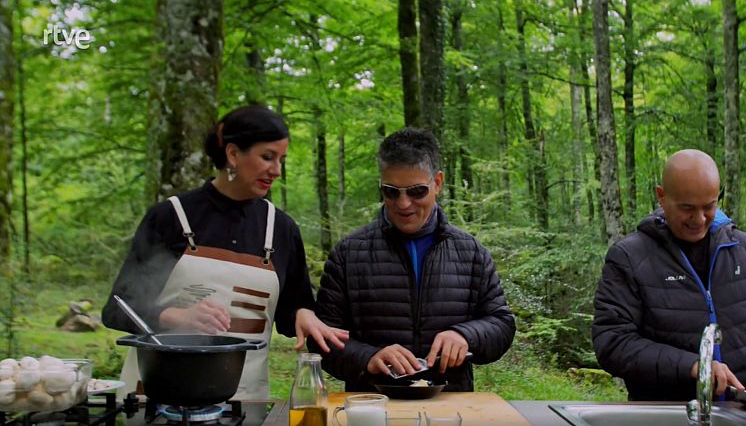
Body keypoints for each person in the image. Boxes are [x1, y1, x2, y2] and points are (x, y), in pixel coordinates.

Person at [102, 105, 348, 400]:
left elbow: (291, 310)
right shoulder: (170, 217)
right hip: (158, 394)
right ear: (233, 154)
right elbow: (117, 309)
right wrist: (175, 317)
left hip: (243, 399)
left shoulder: (281, 229)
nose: (277, 170)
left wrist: (304, 314)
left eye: (281, 159)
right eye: (268, 157)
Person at [592, 149, 746, 404]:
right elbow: (613, 342)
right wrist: (695, 366)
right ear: (662, 197)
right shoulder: (629, 258)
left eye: (709, 206)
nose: (699, 219)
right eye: (687, 208)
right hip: (665, 415)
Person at [311, 128, 516, 392]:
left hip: (450, 407)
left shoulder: (471, 252)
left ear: (438, 183)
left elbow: (501, 324)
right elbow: (321, 339)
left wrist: (466, 335)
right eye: (391, 192)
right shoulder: (348, 254)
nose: (404, 204)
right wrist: (368, 358)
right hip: (372, 407)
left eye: (417, 191)